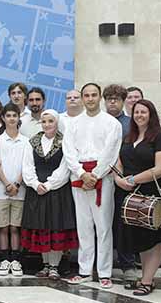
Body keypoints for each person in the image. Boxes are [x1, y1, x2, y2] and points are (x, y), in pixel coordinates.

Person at [63, 83, 123, 288]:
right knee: (84, 225)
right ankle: (85, 269)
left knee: (103, 226)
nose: (90, 98)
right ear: (81, 98)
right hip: (78, 176)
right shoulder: (73, 123)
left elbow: (111, 152)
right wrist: (81, 173)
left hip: (102, 177)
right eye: (86, 95)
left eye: (94, 95)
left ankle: (105, 272)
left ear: (100, 98)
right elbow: (68, 151)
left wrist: (95, 175)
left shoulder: (111, 123)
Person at [113, 100, 161, 295]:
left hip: (150, 192)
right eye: (136, 112)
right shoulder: (129, 136)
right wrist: (118, 178)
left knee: (154, 238)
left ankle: (147, 280)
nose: (139, 115)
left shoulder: (160, 137)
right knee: (139, 238)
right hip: (128, 192)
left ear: (151, 114)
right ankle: (145, 277)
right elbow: (118, 161)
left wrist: (133, 179)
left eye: (143, 112)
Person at [21, 110, 78, 280]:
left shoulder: (64, 141)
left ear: (57, 122)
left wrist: (48, 184)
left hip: (57, 192)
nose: (47, 124)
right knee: (42, 228)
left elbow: (65, 167)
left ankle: (54, 266)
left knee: (55, 228)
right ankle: (45, 265)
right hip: (37, 190)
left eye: (50, 121)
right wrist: (35, 183)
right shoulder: (33, 142)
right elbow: (27, 165)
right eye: (44, 121)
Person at [0, 103, 29, 277]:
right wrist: (7, 184)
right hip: (0, 191)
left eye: (14, 115)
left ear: (18, 118)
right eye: (8, 116)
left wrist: (16, 185)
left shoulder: (26, 141)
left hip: (19, 191)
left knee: (15, 227)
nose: (11, 119)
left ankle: (16, 260)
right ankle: (4, 260)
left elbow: (26, 166)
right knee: (3, 227)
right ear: (3, 118)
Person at [103, 83, 134, 278]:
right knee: (102, 222)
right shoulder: (99, 121)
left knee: (123, 223)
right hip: (99, 178)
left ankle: (127, 263)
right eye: (109, 99)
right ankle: (100, 263)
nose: (112, 102)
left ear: (123, 102)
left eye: (116, 99)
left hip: (123, 179)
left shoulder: (130, 124)